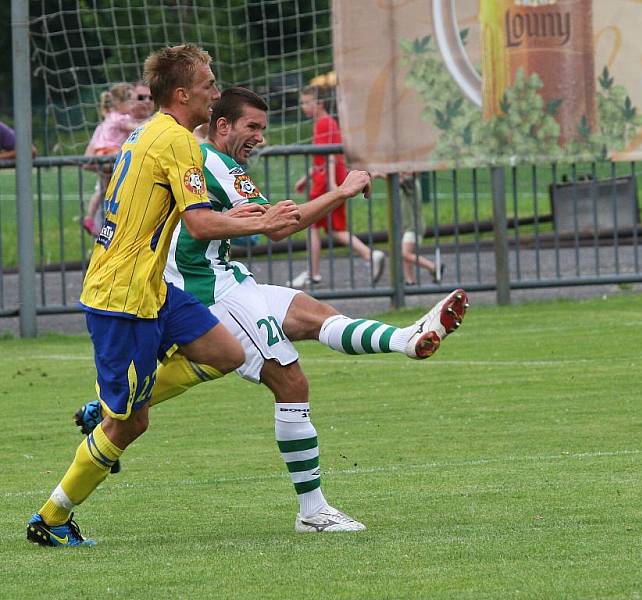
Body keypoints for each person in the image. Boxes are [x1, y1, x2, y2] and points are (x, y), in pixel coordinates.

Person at [72, 87, 469, 533]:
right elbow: (284, 226)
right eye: (252, 127)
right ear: (222, 125)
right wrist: (344, 190)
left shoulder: (211, 160)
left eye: (263, 128)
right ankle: (313, 512)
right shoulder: (213, 163)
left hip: (229, 279)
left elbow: (270, 220)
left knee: (315, 316)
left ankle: (407, 341)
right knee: (291, 380)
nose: (260, 137)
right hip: (211, 294)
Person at [25, 44, 319, 548]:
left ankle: (108, 407)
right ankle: (51, 517)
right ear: (183, 94)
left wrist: (250, 218)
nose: (215, 91)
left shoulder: (150, 132)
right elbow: (200, 223)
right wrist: (261, 220)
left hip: (152, 287)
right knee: (131, 424)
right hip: (123, 297)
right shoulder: (179, 142)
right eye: (208, 83)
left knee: (226, 350)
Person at [292, 85, 385, 287]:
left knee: (310, 224)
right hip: (325, 180)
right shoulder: (326, 123)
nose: (303, 107)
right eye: (302, 102)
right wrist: (307, 176)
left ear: (320, 103)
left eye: (307, 102)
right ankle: (370, 255)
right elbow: (323, 158)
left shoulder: (324, 123)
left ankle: (314, 273)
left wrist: (334, 184)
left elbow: (330, 157)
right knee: (334, 229)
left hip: (325, 183)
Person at [81, 83, 137, 236]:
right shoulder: (121, 118)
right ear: (120, 103)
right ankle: (114, 218)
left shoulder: (107, 119)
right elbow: (135, 128)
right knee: (116, 188)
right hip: (111, 155)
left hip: (101, 155)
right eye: (131, 102)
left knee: (104, 190)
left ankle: (89, 217)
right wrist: (152, 121)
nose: (133, 106)